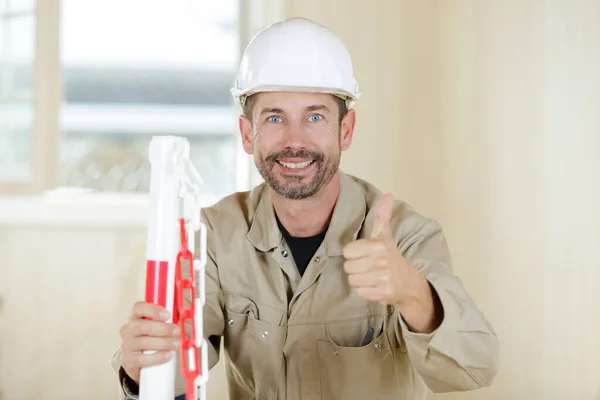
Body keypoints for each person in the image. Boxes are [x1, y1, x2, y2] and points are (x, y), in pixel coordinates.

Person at [111, 16, 499, 400]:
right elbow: (175, 370)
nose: (294, 140)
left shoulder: (406, 237)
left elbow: (476, 367)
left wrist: (413, 292)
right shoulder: (215, 235)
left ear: (345, 131)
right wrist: (142, 365)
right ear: (248, 135)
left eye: (315, 117)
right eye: (275, 117)